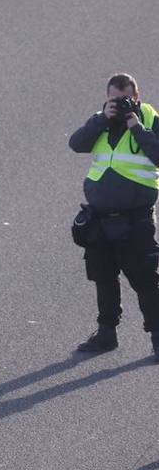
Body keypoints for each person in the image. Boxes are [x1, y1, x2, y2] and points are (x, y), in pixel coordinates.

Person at [67, 72, 159, 360]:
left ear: (137, 97)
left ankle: (158, 336)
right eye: (113, 99)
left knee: (145, 280)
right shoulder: (101, 120)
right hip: (100, 217)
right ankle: (106, 333)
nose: (119, 105)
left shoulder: (150, 120)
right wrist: (101, 119)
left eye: (125, 99)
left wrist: (137, 128)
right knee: (103, 277)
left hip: (135, 218)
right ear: (106, 98)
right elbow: (77, 143)